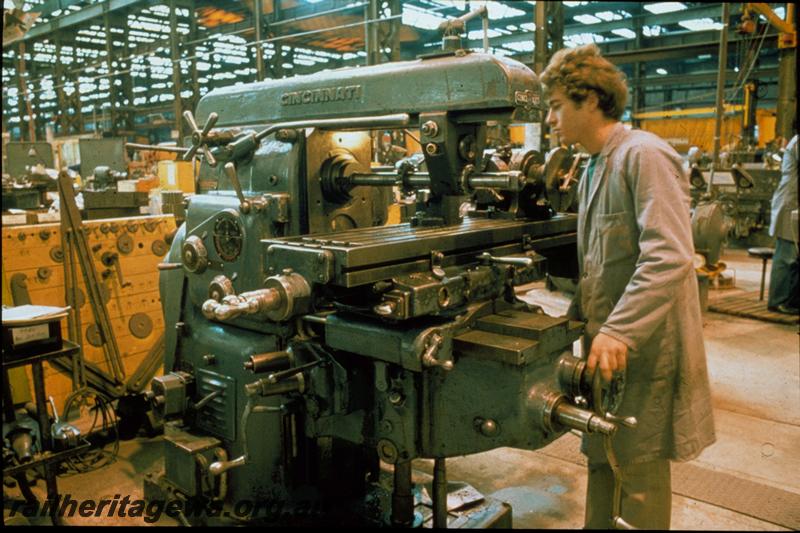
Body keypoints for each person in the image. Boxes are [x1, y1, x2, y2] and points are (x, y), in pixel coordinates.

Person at [540, 44, 716, 529]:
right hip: (608, 345)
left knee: (637, 470)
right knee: (604, 451)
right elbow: (598, 260)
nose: (551, 119)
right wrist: (572, 321)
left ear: (591, 100)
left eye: (557, 106)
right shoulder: (595, 166)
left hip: (643, 346)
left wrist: (618, 330)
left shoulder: (644, 155)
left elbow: (670, 256)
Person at [767, 133, 799, 314]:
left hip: (794, 203)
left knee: (795, 256)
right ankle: (778, 300)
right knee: (787, 255)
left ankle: (792, 300)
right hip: (789, 203)